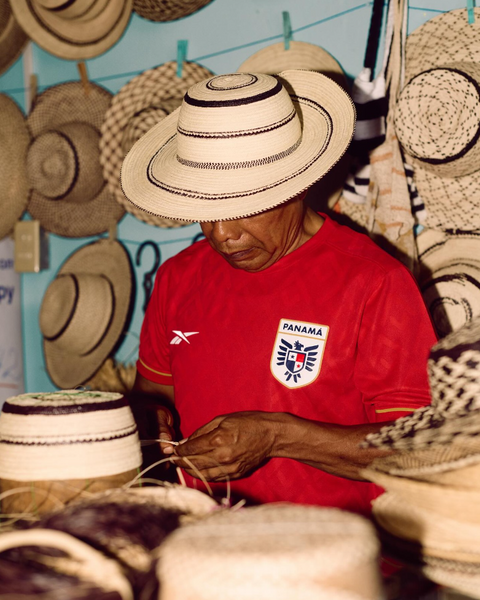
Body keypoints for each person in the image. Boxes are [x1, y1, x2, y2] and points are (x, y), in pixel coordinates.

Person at [121, 70, 437, 516]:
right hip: (199, 550)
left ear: (299, 184)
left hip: (327, 564)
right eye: (204, 209)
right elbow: (154, 397)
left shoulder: (373, 283)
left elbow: (415, 450)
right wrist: (148, 418)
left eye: (243, 207)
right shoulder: (178, 277)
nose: (221, 234)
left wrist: (279, 435)